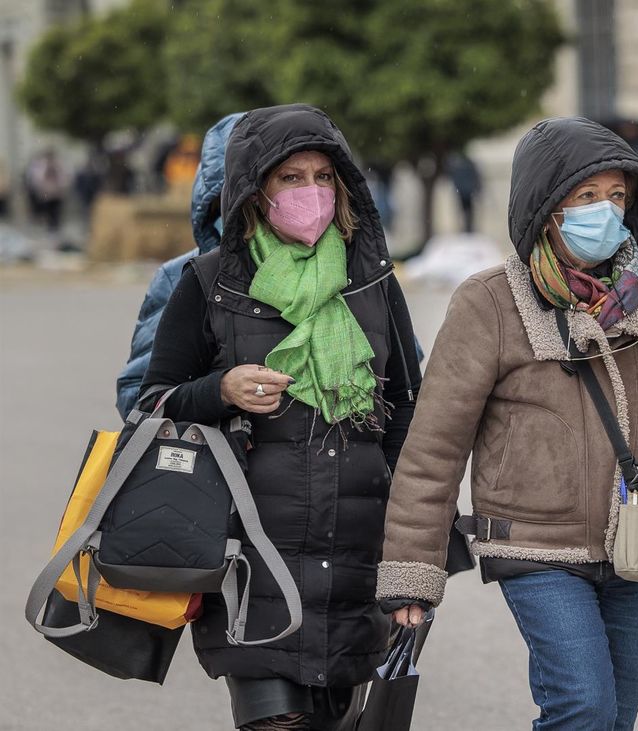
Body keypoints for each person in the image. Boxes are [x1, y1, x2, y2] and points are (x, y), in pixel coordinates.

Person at [377, 116, 638, 730]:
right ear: (547, 209)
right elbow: (435, 445)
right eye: (586, 197)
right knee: (582, 706)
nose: (605, 210)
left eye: (617, 196)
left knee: (616, 718)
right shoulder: (490, 301)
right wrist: (413, 572)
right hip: (535, 547)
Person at [140, 104, 427, 731]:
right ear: (254, 191)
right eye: (291, 179)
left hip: (356, 560)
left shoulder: (372, 282)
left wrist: (417, 556)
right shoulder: (210, 282)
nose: (312, 193)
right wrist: (222, 389)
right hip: (251, 562)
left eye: (324, 178)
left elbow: (409, 413)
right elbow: (151, 404)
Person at [115, 112, 245, 419]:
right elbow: (138, 396)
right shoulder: (183, 276)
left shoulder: (344, 276)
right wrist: (219, 392)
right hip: (217, 463)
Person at [25, 150, 67, 234]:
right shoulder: (43, 165)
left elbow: (62, 178)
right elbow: (38, 178)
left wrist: (61, 187)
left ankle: (55, 226)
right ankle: (50, 226)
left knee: (56, 210)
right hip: (47, 192)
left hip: (56, 192)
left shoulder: (58, 165)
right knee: (48, 210)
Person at [446, 151, 481, 233]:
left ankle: (466, 227)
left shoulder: (458, 165)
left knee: (465, 210)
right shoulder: (467, 164)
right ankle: (467, 227)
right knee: (467, 210)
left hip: (463, 192)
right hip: (466, 191)